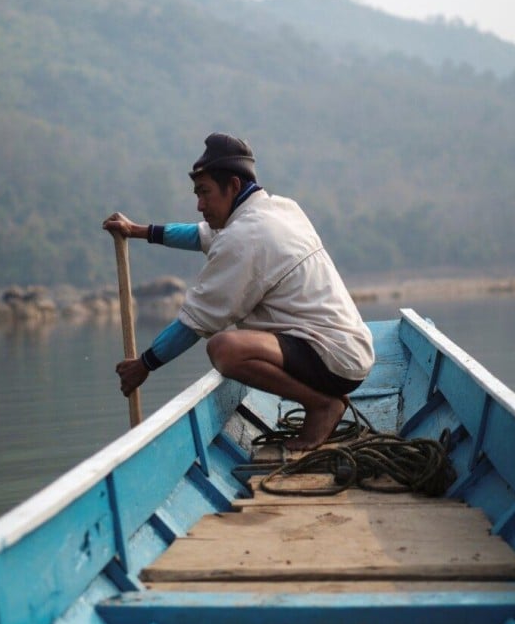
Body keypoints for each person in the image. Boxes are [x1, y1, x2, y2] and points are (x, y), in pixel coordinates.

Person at [102, 132, 374, 450]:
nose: (200, 205)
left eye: (205, 193)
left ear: (232, 186)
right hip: (350, 351)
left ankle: (322, 405)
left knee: (225, 349)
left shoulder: (244, 236)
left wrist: (144, 365)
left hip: (331, 358)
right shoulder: (280, 209)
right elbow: (201, 235)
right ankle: (323, 401)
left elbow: (194, 323)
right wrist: (137, 231)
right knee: (227, 345)